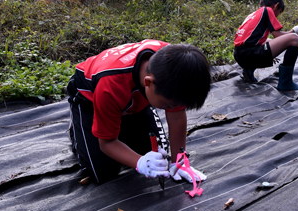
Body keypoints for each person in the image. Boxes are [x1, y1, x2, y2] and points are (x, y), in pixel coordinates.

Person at [67, 39, 212, 184]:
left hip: (131, 100)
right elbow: (107, 142)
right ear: (148, 83)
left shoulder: (176, 67)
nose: (173, 110)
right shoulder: (110, 86)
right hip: (89, 100)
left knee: (155, 154)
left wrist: (178, 162)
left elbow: (176, 116)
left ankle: (121, 121)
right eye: (168, 105)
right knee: (103, 170)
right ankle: (78, 131)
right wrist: (140, 162)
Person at [233, 0, 298, 91]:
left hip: (240, 55)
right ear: (276, 6)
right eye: (279, 12)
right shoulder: (268, 10)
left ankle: (248, 71)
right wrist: (293, 31)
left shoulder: (253, 14)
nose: (277, 16)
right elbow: (277, 35)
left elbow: (251, 39)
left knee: (267, 40)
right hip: (250, 54)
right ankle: (286, 83)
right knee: (294, 39)